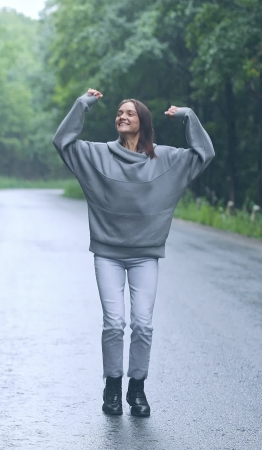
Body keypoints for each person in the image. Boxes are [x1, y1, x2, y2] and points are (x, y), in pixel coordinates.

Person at [53, 88, 215, 417]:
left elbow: (203, 153)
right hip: (108, 254)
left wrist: (188, 116)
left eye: (129, 112)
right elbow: (63, 142)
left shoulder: (165, 159)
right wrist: (82, 105)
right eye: (119, 113)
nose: (122, 116)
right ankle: (112, 386)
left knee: (143, 324)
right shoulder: (97, 155)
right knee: (114, 322)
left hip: (145, 255)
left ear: (143, 122)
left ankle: (136, 389)